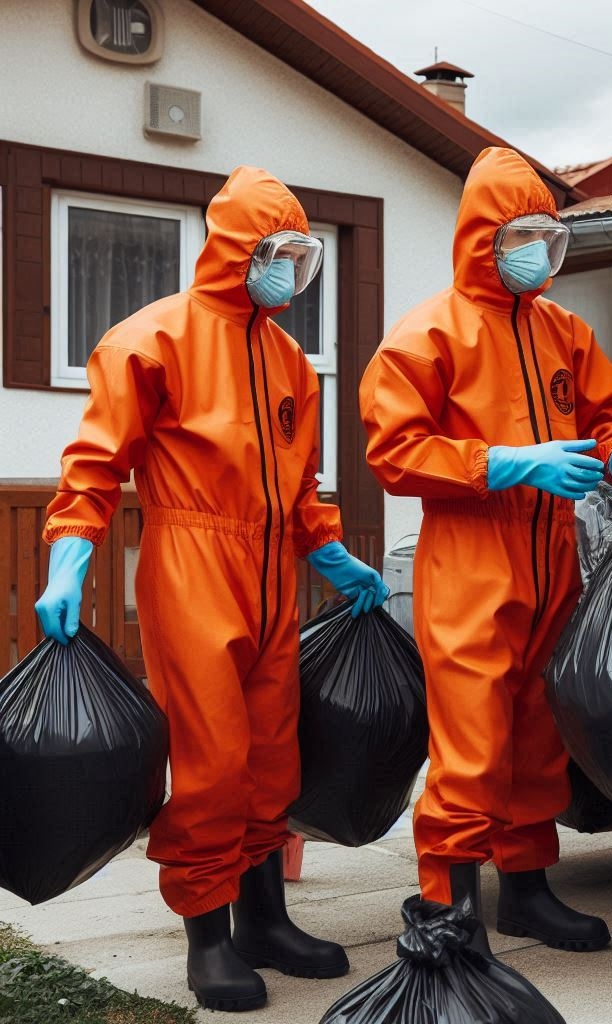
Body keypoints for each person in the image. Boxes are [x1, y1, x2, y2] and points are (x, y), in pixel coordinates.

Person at [35, 166, 389, 1012]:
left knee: (273, 755)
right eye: (279, 255)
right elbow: (93, 467)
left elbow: (300, 489)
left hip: (273, 579)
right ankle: (208, 937)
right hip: (193, 565)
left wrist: (334, 557)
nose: (290, 275)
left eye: (302, 259)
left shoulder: (288, 362)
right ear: (238, 252)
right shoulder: (151, 341)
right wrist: (69, 558)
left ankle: (265, 917)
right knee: (212, 760)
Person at [359, 146, 612, 953]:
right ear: (483, 238)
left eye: (549, 235)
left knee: (537, 739)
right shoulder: (427, 334)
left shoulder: (562, 329)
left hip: (553, 556)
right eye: (523, 235)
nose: (540, 252)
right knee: (469, 745)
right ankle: (448, 906)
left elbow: (611, 412)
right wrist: (502, 462)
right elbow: (394, 453)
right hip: (469, 559)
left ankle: (526, 892)